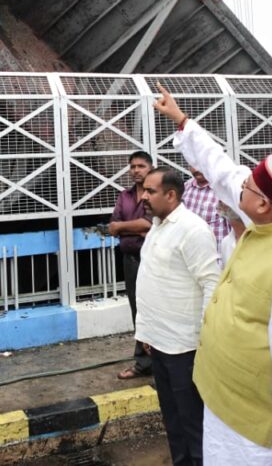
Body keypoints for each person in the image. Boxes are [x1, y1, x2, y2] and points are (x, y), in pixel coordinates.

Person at [153, 84, 272, 465]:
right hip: (224, 404)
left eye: (247, 186)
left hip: (258, 436)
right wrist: (181, 120)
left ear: (263, 204)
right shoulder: (270, 214)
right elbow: (221, 168)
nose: (238, 186)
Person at [135, 167, 222, 466]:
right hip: (159, 341)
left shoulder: (192, 229)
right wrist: (146, 333)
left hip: (185, 347)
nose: (143, 196)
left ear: (171, 195)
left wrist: (204, 336)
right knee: (172, 420)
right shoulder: (158, 225)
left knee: (192, 423)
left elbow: (211, 282)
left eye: (150, 191)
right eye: (144, 190)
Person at [109, 150, 154, 380]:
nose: (136, 170)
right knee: (138, 311)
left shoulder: (154, 194)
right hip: (131, 260)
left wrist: (124, 227)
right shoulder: (124, 196)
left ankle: (156, 360)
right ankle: (144, 362)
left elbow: (149, 225)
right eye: (133, 166)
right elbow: (112, 225)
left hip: (152, 261)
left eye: (141, 166)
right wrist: (133, 227)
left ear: (150, 167)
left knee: (155, 308)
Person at [181, 166, 234, 267]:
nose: (196, 169)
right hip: (190, 263)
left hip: (217, 265)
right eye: (192, 164)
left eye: (199, 163)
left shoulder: (224, 190)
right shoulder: (185, 189)